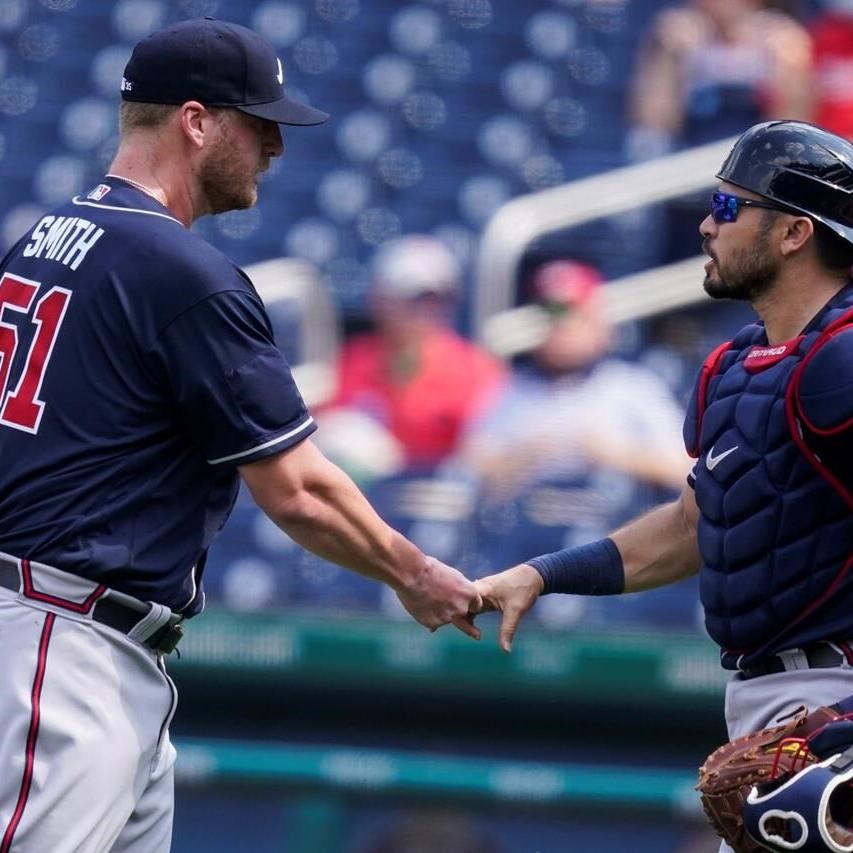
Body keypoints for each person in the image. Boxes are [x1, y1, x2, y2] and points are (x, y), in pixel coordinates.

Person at [0, 18, 481, 853]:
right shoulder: (179, 272)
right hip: (61, 639)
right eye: (260, 125)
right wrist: (416, 573)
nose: (275, 148)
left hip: (76, 634)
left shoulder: (42, 239)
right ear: (196, 121)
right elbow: (294, 489)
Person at [471, 120, 853, 852]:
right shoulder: (734, 363)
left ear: (794, 233)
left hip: (834, 708)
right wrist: (539, 575)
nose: (707, 223)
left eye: (729, 205)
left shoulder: (841, 359)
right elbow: (691, 528)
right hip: (774, 715)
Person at [455, 260, 689, 598]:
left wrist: (614, 454)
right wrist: (528, 455)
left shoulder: (632, 388)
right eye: (550, 313)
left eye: (569, 313)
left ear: (598, 322)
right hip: (522, 549)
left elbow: (687, 472)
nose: (558, 326)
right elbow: (465, 471)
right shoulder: (511, 390)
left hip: (612, 545)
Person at [318, 234, 506, 476]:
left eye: (438, 300)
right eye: (413, 300)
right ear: (379, 300)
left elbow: (488, 459)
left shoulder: (477, 370)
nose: (425, 312)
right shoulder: (353, 360)